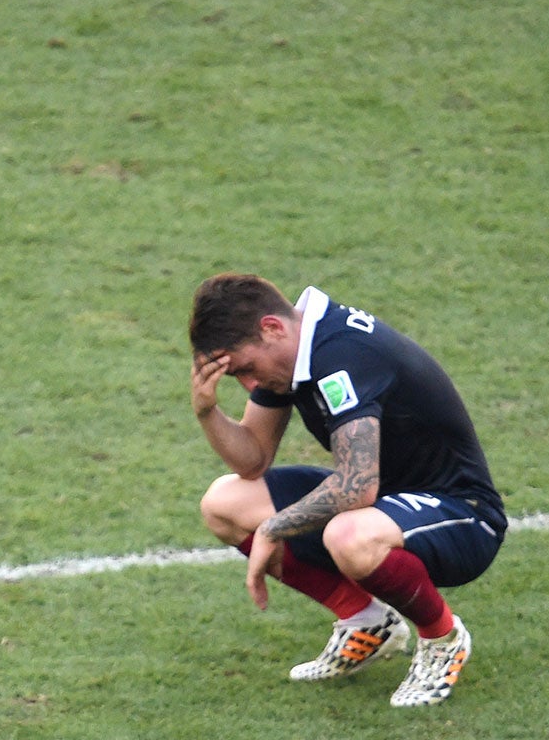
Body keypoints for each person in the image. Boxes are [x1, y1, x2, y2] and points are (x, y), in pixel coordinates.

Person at [188, 273, 506, 706]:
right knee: (224, 503)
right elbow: (253, 460)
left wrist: (273, 528)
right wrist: (208, 412)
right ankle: (366, 623)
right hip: (382, 499)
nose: (248, 385)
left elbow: (357, 487)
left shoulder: (340, 354)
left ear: (272, 328)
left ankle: (443, 638)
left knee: (349, 535)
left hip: (462, 512)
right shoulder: (293, 354)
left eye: (246, 369)